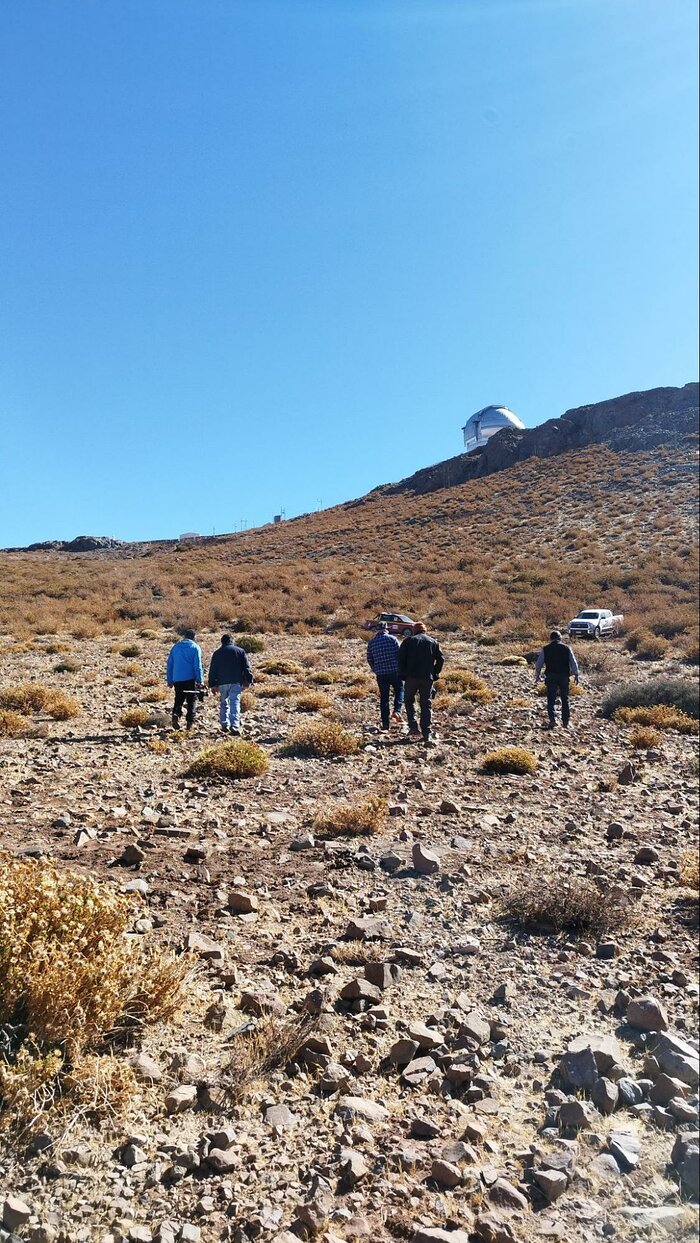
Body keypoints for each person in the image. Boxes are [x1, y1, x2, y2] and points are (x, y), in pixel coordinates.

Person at [397, 622, 444, 744]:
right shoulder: (433, 642)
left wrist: (402, 674)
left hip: (411, 677)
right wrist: (435, 673)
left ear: (414, 630)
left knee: (408, 701)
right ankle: (426, 732)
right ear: (425, 630)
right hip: (427, 678)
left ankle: (413, 727)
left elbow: (400, 659)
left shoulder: (408, 641)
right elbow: (441, 659)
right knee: (426, 704)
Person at [208, 634, 254, 735]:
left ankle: (224, 724)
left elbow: (213, 670)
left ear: (222, 642)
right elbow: (246, 667)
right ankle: (235, 725)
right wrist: (249, 680)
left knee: (224, 702)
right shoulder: (240, 651)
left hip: (222, 682)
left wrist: (213, 684)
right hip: (236, 681)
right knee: (235, 702)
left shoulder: (217, 653)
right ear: (231, 641)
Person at [534, 629, 580, 729]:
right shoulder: (566, 648)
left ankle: (552, 720)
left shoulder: (546, 649)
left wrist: (537, 675)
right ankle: (565, 722)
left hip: (551, 676)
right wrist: (576, 674)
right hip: (564, 676)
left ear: (550, 639)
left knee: (551, 698)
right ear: (560, 638)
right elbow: (573, 662)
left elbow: (539, 664)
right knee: (565, 698)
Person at [366, 621, 404, 731]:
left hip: (381, 674)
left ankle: (385, 724)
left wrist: (375, 669)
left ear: (377, 629)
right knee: (400, 690)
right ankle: (397, 711)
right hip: (394, 671)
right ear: (386, 628)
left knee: (384, 698)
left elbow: (369, 659)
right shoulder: (392, 639)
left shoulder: (372, 643)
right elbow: (399, 654)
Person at [166, 629, 204, 730]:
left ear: (184, 636)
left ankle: (176, 714)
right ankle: (189, 723)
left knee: (179, 698)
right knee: (191, 700)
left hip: (177, 679)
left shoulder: (175, 647)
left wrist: (169, 680)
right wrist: (200, 681)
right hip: (191, 679)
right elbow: (198, 666)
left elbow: (169, 664)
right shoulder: (195, 647)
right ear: (194, 637)